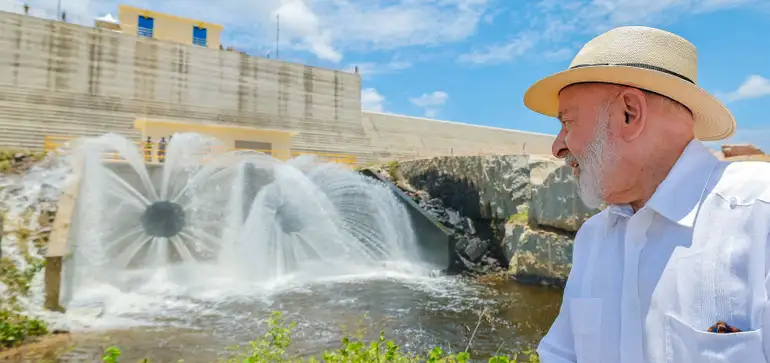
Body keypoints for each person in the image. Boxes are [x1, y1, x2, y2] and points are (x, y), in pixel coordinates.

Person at [523, 26, 770, 363]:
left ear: (630, 113)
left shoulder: (760, 216)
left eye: (567, 122)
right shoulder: (593, 237)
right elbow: (561, 355)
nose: (557, 146)